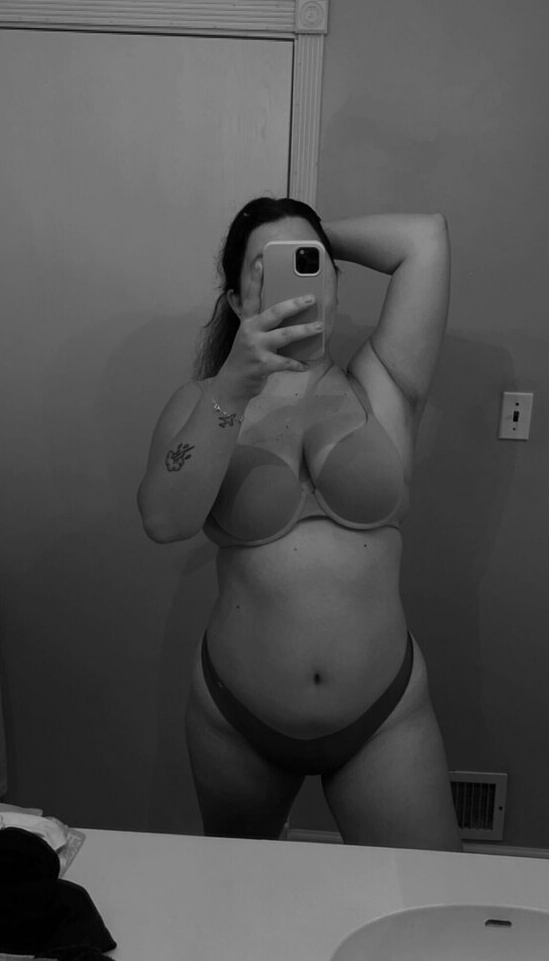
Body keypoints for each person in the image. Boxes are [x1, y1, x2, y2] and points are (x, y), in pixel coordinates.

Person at [137, 196, 461, 850]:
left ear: (334, 281)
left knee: (424, 899)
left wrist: (310, 234)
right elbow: (164, 519)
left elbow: (424, 239)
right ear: (236, 301)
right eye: (266, 269)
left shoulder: (385, 384)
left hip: (384, 717)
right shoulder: (204, 401)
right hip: (237, 718)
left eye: (309, 264)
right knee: (242, 899)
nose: (295, 279)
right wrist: (234, 384)